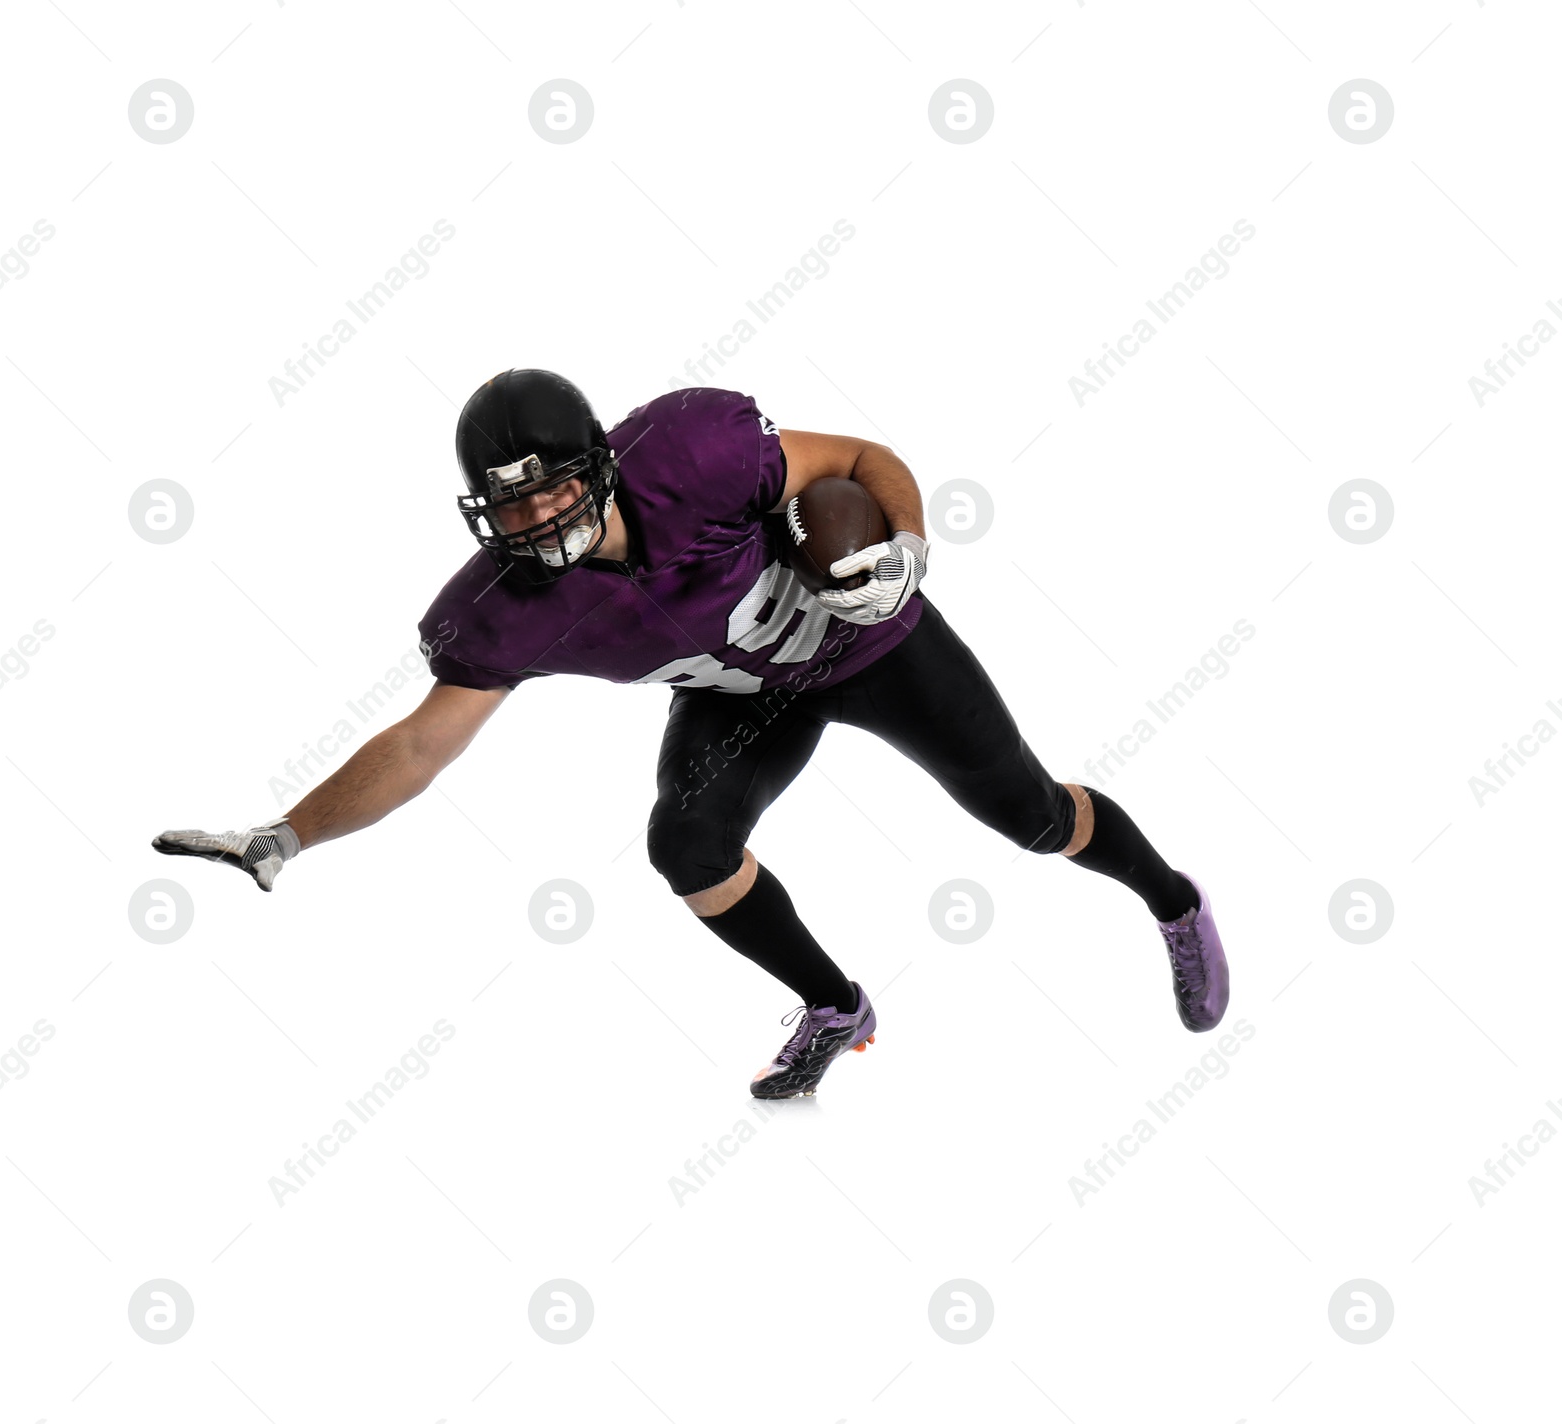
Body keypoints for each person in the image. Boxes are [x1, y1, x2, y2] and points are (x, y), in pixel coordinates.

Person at [154, 368, 1228, 1099]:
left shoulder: (694, 452)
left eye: (550, 494)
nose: (532, 525)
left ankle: (1173, 900)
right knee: (687, 844)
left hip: (866, 639)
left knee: (1032, 818)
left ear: (603, 464)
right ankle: (833, 1003)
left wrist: (903, 540)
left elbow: (860, 452)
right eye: (506, 507)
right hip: (738, 690)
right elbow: (421, 745)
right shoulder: (503, 604)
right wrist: (286, 833)